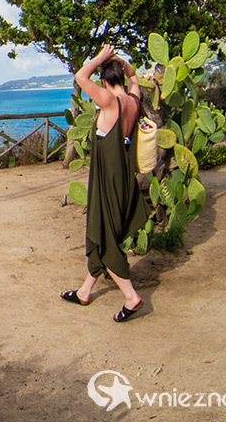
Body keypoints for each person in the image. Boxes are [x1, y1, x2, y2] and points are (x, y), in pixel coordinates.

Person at [60, 44, 150, 322]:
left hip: (107, 179)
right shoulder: (134, 99)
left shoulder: (109, 101)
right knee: (102, 230)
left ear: (104, 81)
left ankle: (131, 297)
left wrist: (100, 58)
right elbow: (134, 77)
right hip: (123, 176)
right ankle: (85, 291)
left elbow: (79, 77)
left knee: (107, 237)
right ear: (121, 77)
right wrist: (118, 60)